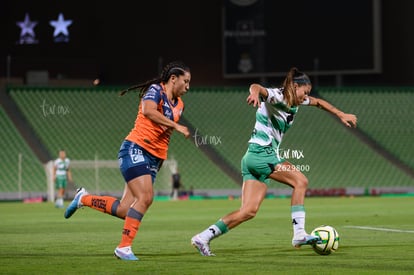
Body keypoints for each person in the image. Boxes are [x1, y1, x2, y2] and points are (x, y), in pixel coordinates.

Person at [191, 67, 357, 256]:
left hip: (252, 158)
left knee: (248, 211)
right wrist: (254, 94)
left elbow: (319, 103)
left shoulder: (297, 100)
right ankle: (299, 233)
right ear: (295, 86)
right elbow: (257, 87)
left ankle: (203, 237)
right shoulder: (278, 96)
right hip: (263, 154)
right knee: (300, 181)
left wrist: (341, 114)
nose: (306, 96)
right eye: (305, 91)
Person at [64, 61, 191, 261]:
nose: (187, 87)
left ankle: (84, 198)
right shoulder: (155, 90)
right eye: (185, 81)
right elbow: (149, 111)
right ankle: (123, 248)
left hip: (155, 158)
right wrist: (177, 127)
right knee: (146, 198)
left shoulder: (180, 105)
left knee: (125, 209)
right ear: (173, 79)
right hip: (135, 148)